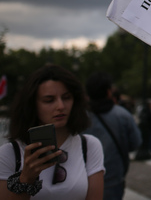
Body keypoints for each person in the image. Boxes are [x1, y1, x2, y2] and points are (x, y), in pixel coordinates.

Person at [0, 64, 105, 199]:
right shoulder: (9, 153)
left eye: (66, 98)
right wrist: (26, 179)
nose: (60, 106)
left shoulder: (90, 146)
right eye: (49, 100)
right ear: (32, 105)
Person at [85, 71, 142, 200]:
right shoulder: (123, 115)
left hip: (85, 179)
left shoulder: (80, 118)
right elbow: (136, 143)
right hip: (113, 177)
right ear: (109, 91)